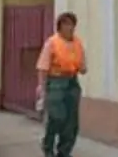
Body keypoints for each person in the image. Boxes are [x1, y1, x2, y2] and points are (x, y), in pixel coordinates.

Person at [35, 12, 86, 157]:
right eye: (66, 24)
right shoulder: (52, 43)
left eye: (72, 24)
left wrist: (82, 67)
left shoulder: (77, 43)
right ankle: (48, 147)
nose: (69, 27)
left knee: (71, 123)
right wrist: (42, 89)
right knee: (57, 118)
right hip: (56, 83)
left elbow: (83, 66)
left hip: (72, 83)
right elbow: (43, 67)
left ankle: (64, 152)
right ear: (60, 26)